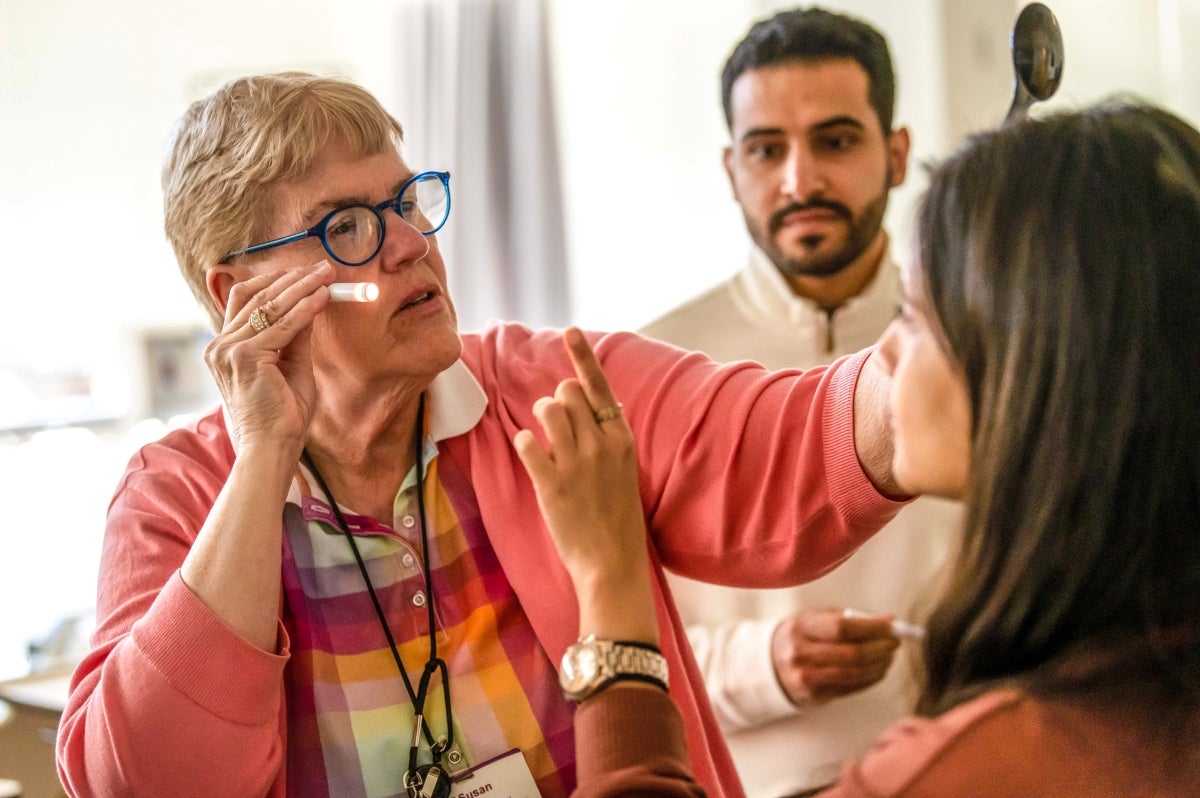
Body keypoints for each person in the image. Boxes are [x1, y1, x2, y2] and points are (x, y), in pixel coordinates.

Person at [53, 72, 907, 798]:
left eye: (405, 201)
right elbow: (143, 775)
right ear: (242, 294)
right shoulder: (178, 493)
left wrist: (937, 332)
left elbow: (792, 445)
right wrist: (265, 456)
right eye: (344, 228)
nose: (409, 244)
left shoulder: (547, 389)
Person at [522, 101, 1200, 796]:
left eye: (914, 316)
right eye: (765, 149)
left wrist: (610, 588)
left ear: (1033, 359)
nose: (885, 356)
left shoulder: (981, 765)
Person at [639, 8, 959, 794]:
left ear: (897, 154)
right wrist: (765, 663)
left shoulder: (985, 341)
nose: (800, 180)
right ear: (730, 169)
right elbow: (603, 644)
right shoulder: (654, 364)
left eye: (836, 141)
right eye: (766, 149)